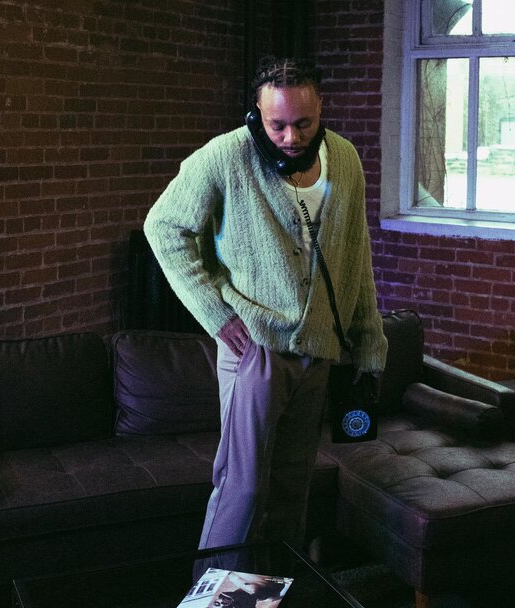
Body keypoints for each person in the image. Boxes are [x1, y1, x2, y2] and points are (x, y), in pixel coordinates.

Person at [144, 56, 387, 550]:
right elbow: (163, 228)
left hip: (319, 350)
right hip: (255, 349)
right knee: (244, 488)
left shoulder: (345, 158)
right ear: (257, 113)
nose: (291, 137)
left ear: (321, 108)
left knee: (293, 484)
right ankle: (214, 600)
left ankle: (276, 590)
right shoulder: (224, 156)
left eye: (304, 123)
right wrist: (216, 314)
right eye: (277, 125)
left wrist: (368, 343)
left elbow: (355, 255)